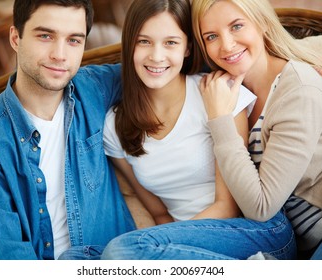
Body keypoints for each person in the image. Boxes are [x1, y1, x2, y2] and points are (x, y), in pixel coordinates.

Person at [100, 0, 297, 260]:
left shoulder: (218, 93)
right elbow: (159, 214)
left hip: (253, 231)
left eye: (170, 42)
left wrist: (152, 246)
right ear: (130, 46)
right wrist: (163, 251)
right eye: (144, 41)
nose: (156, 56)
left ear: (187, 48)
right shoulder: (115, 125)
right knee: (76, 259)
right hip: (179, 242)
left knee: (123, 250)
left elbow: (228, 207)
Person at [0, 0, 136, 260]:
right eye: (45, 36)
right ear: (16, 38)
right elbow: (7, 263)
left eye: (74, 40)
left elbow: (160, 65)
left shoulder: (94, 88)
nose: (60, 54)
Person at [191, 0, 322, 259]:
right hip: (289, 238)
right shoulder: (227, 87)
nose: (227, 45)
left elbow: (260, 207)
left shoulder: (299, 91)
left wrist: (220, 120)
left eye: (237, 26)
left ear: (261, 23)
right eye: (212, 36)